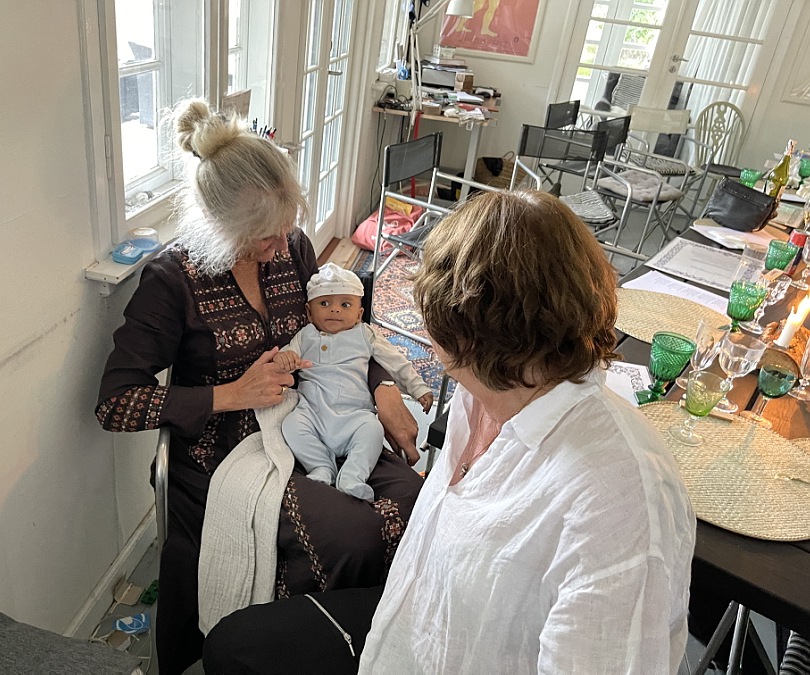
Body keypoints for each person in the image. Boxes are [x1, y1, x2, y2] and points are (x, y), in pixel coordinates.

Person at [203, 190, 697, 674]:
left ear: (467, 334)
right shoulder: (484, 388)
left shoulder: (620, 509)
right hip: (410, 621)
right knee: (231, 646)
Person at [95, 99, 424, 675]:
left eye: (286, 229)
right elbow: (115, 404)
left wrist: (383, 388)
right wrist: (230, 394)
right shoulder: (172, 282)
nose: (283, 247)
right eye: (265, 238)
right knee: (353, 533)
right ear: (220, 228)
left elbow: (339, 333)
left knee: (414, 500)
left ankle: (371, 649)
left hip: (317, 412)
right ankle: (290, 652)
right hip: (224, 449)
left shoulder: (290, 248)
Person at [274, 263, 433, 502]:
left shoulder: (365, 334)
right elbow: (285, 356)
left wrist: (418, 388)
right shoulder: (305, 336)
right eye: (324, 303)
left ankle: (352, 476)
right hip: (313, 413)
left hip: (355, 415)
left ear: (359, 314)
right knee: (291, 426)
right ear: (309, 312)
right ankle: (320, 466)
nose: (334, 310)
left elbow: (395, 362)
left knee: (373, 430)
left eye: (345, 305)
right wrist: (284, 358)